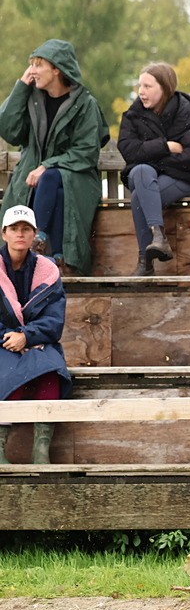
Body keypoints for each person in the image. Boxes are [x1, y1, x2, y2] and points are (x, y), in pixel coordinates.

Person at [0, 39, 108, 274]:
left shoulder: (85, 105)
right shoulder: (31, 98)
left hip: (77, 175)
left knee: (51, 178)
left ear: (57, 69)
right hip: (33, 176)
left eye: (38, 65)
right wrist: (20, 87)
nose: (32, 71)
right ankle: (58, 257)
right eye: (31, 65)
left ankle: (38, 240)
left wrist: (48, 165)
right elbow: (9, 130)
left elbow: (87, 151)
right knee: (53, 188)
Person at [116, 63, 190, 276]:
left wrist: (152, 158)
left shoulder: (187, 112)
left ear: (165, 88)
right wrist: (165, 147)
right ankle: (158, 237)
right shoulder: (133, 115)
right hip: (143, 176)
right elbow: (129, 151)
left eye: (147, 86)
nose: (141, 91)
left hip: (180, 178)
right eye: (140, 85)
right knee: (141, 171)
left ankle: (145, 263)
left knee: (139, 195)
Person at [0, 206, 71, 464]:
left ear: (34, 234)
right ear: (4, 234)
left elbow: (54, 320)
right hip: (2, 342)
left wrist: (27, 336)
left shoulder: (48, 271)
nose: (20, 234)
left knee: (51, 369)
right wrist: (9, 337)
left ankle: (41, 450)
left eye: (26, 229)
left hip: (38, 341)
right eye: (14, 229)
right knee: (7, 370)